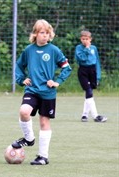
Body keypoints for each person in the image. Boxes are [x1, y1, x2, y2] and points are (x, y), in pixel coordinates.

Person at [11, 19, 72, 165]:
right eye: (42, 32)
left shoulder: (54, 50)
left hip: (48, 92)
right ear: (35, 34)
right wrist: (21, 79)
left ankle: (43, 157)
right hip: (32, 90)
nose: (45, 35)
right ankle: (29, 138)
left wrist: (57, 82)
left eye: (48, 33)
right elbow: (19, 66)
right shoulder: (29, 50)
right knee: (24, 111)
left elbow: (67, 67)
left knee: (44, 122)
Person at [75, 30, 107, 122]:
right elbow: (81, 59)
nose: (85, 41)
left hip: (92, 71)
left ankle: (84, 115)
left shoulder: (94, 48)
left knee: (89, 93)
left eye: (87, 39)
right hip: (83, 71)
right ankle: (96, 116)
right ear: (81, 39)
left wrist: (98, 76)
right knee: (88, 91)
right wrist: (87, 49)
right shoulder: (79, 48)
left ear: (90, 39)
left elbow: (97, 62)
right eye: (83, 39)